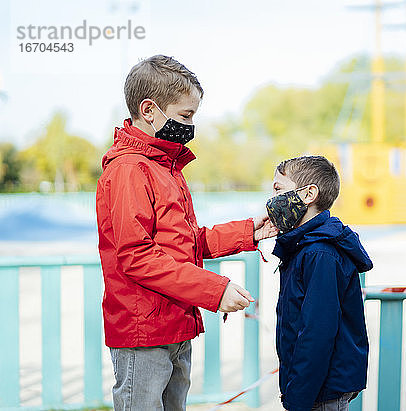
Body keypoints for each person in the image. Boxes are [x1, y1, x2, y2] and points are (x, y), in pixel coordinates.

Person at [95, 55, 277, 411]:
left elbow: (185, 242)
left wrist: (247, 232)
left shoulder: (166, 168)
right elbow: (137, 257)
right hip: (143, 334)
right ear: (149, 110)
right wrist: (215, 290)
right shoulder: (131, 170)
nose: (191, 125)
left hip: (175, 325)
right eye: (185, 116)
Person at [266, 156, 373, 411]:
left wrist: (298, 399)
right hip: (314, 386)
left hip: (320, 391)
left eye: (278, 189)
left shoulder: (319, 253)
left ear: (309, 194)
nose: (272, 198)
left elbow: (317, 333)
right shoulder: (304, 246)